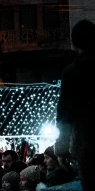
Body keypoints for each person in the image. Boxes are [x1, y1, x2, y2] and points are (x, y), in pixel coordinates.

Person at [56, 19, 95, 191]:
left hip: (87, 140)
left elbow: (65, 112)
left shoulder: (73, 71)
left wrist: (62, 147)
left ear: (73, 43)